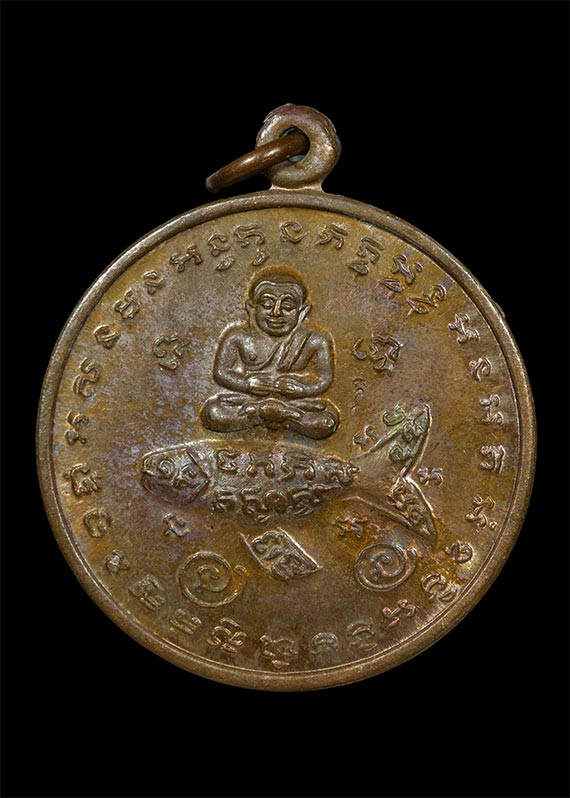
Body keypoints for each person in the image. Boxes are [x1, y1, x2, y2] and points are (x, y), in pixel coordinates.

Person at [201, 267, 339, 439]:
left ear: (302, 312)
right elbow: (221, 372)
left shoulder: (315, 340)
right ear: (251, 308)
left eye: (287, 306)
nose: (276, 312)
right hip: (248, 401)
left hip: (295, 404)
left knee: (326, 421)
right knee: (213, 413)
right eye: (267, 305)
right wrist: (246, 384)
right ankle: (266, 414)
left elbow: (323, 378)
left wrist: (302, 388)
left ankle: (280, 414)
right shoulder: (237, 337)